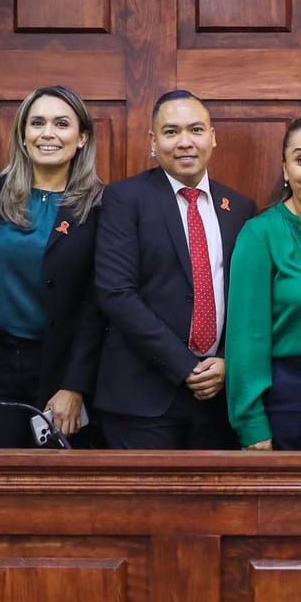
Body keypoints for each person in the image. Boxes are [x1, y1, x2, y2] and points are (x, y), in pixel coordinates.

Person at [93, 90, 259, 449]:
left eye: (195, 130)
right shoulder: (125, 200)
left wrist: (226, 360)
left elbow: (249, 300)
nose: (185, 142)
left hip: (218, 398)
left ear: (212, 137)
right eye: (171, 132)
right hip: (142, 399)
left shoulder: (240, 207)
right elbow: (116, 294)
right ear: (153, 142)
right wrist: (186, 365)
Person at [0, 85, 105, 448]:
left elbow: (99, 306)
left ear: (82, 137)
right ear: (23, 135)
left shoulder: (102, 206)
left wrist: (75, 385)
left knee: (57, 480)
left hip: (60, 368)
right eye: (37, 123)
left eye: (61, 124)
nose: (47, 133)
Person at [226, 117, 301, 450]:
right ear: (285, 170)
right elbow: (246, 338)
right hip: (287, 397)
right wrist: (251, 424)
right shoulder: (260, 234)